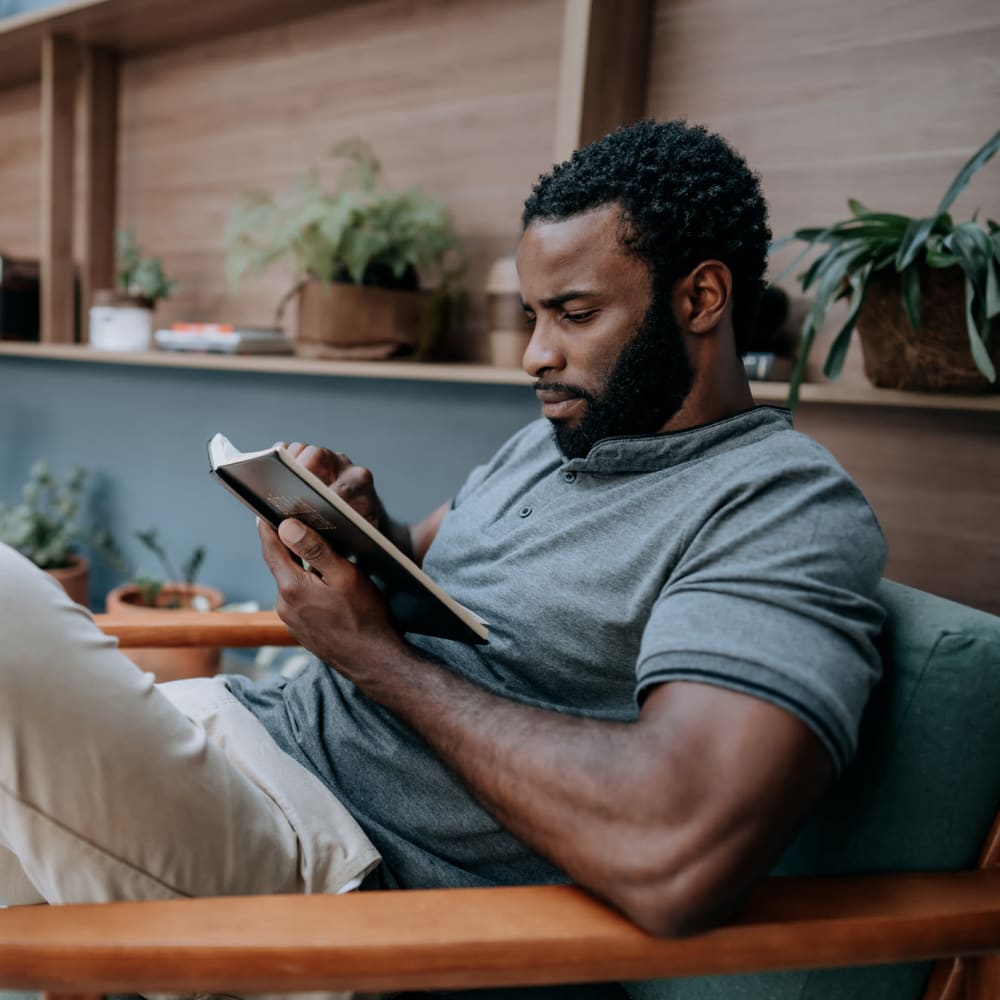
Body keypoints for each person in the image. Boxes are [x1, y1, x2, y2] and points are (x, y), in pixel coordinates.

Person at [0, 120, 885, 950]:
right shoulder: (556, 440)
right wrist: (360, 525)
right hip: (239, 732)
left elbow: (677, 848)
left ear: (701, 297)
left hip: (328, 853)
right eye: (534, 316)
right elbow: (432, 562)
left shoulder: (777, 507)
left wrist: (377, 663)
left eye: (574, 316)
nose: (534, 356)